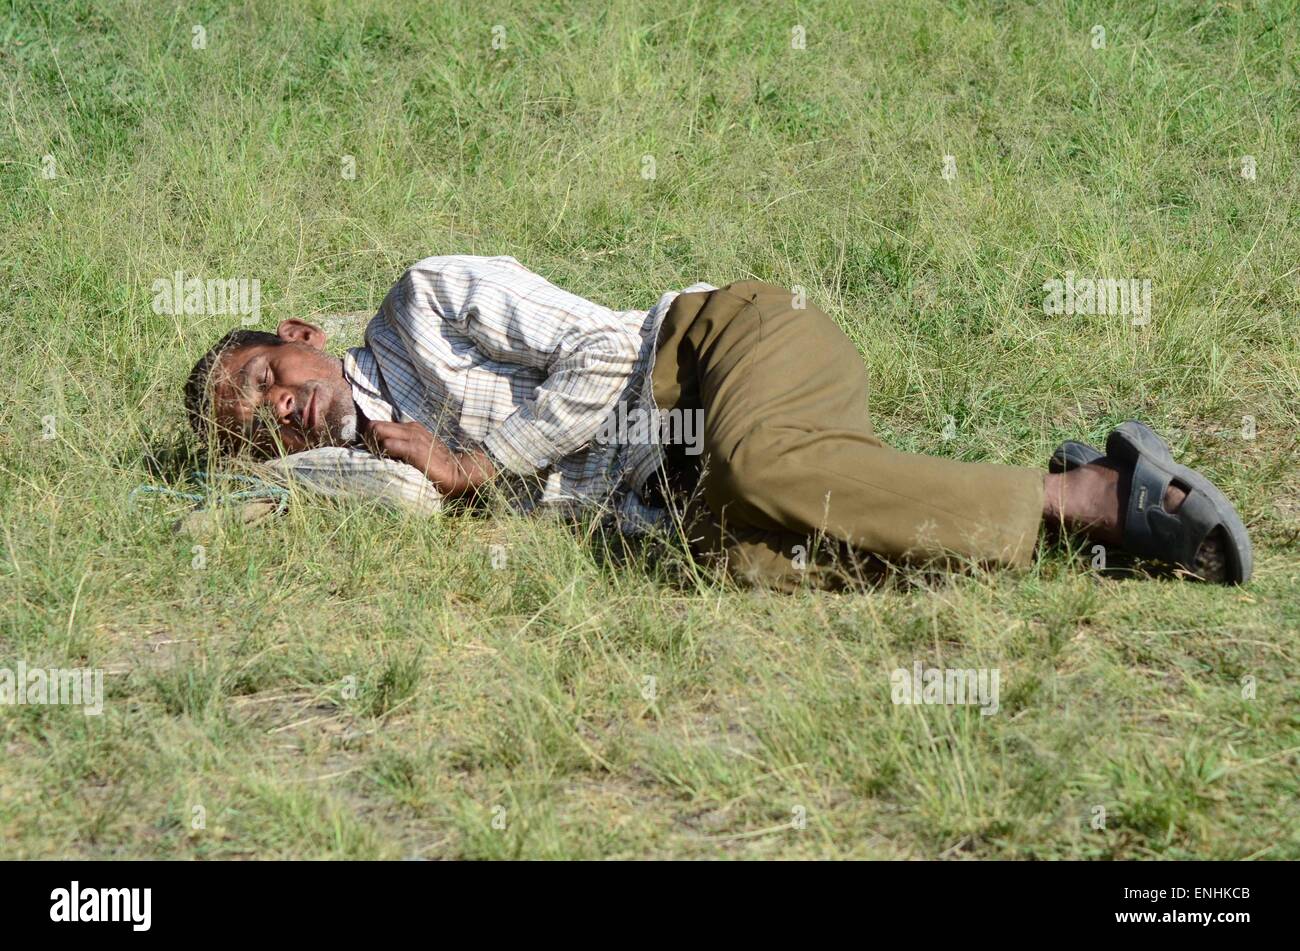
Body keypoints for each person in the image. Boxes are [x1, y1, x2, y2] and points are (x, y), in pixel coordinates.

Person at [184, 255, 1251, 588]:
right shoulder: (381, 465)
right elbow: (393, 504)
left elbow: (603, 348)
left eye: (266, 377)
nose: (279, 408)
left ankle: (1093, 494)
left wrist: (478, 462)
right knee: (743, 570)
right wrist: (260, 479)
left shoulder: (425, 301)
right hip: (682, 492)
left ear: (300, 330)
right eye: (259, 425)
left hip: (721, 348)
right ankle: (1065, 547)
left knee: (751, 466)